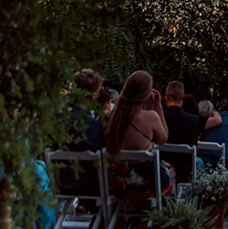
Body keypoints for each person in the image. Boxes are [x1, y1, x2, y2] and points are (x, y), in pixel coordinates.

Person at [104, 70, 173, 199]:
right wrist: (157, 106)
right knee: (170, 172)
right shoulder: (151, 117)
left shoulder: (112, 116)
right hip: (146, 185)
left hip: (119, 183)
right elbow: (163, 139)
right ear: (147, 93)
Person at [60, 69, 106, 196]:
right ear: (94, 96)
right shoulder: (95, 126)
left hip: (57, 182)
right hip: (87, 187)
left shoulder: (57, 120)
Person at [161, 80, 199, 184]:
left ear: (166, 98)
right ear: (183, 98)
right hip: (185, 170)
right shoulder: (193, 120)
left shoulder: (160, 118)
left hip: (162, 169)